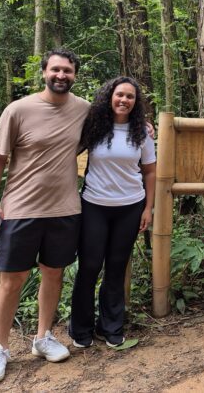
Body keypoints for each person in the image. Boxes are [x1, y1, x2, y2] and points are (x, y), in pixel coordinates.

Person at [0, 49, 90, 384]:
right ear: (44, 72)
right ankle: (0, 348)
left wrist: (143, 125)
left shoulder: (83, 109)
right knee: (12, 280)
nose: (61, 75)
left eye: (67, 70)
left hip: (65, 209)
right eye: (55, 69)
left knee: (54, 274)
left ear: (74, 74)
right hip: (21, 209)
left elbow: (115, 118)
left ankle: (43, 337)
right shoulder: (18, 110)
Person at [69, 77, 156, 348]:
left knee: (117, 268)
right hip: (94, 205)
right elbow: (66, 149)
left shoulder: (141, 132)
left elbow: (150, 171)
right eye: (120, 95)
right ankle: (81, 328)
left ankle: (111, 327)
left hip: (130, 207)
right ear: (109, 97)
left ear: (136, 102)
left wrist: (148, 208)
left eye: (130, 96)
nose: (124, 100)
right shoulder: (94, 127)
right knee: (89, 266)